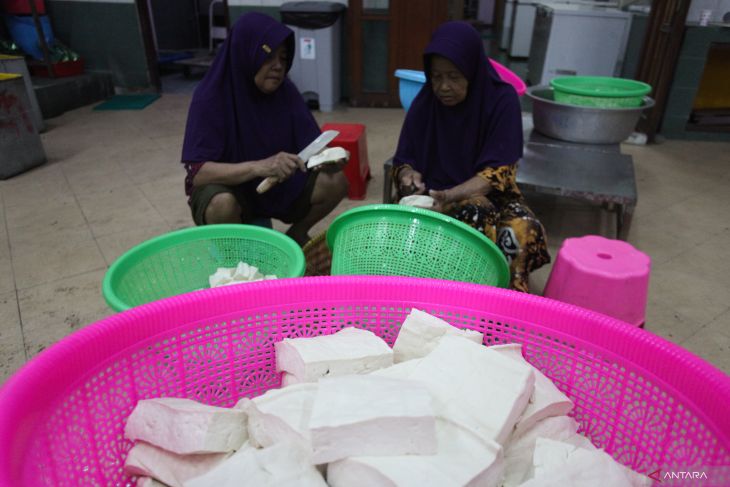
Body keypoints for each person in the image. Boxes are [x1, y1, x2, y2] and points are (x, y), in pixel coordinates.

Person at [393, 21, 550, 292]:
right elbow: (404, 158)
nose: (443, 86)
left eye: (454, 76)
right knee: (476, 212)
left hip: (492, 195)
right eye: (437, 76)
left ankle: (505, 297)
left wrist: (450, 195)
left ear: (472, 71)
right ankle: (461, 295)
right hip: (433, 196)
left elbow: (498, 173)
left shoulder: (502, 100)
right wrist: (409, 175)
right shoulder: (426, 101)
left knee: (523, 228)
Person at [181, 13, 348, 246]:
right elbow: (198, 173)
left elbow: (311, 144)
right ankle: (235, 258)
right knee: (221, 204)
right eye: (268, 56)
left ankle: (296, 235)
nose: (278, 66)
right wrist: (259, 166)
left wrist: (328, 159)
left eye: (283, 58)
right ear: (246, 53)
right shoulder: (211, 97)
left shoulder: (285, 92)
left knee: (335, 181)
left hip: (274, 186)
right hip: (230, 187)